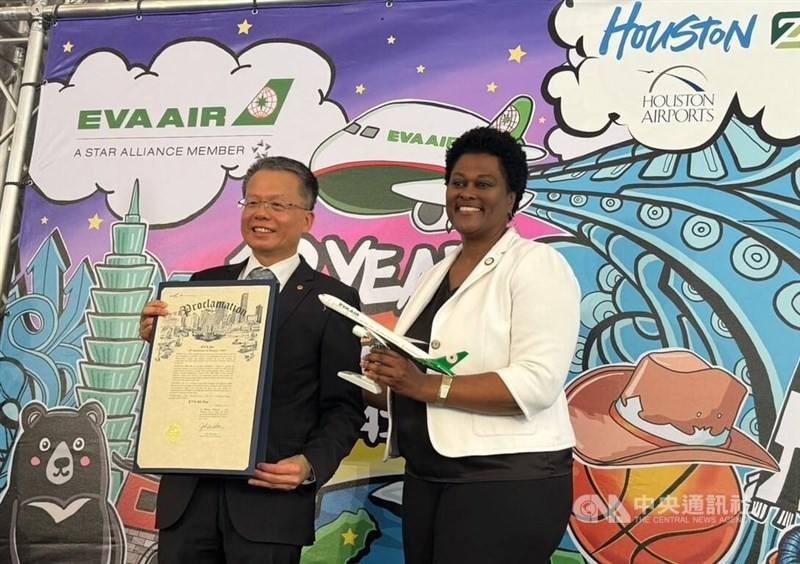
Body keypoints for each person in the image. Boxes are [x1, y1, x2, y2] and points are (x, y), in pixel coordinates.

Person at [362, 127, 581, 564]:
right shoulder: (436, 273)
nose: (467, 193)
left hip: (505, 480)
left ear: (513, 198)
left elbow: (536, 384)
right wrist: (384, 377)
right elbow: (420, 375)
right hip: (429, 476)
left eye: (484, 184)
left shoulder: (537, 265)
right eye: (458, 182)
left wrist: (423, 385)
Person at [139, 156, 364, 564]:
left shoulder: (333, 301)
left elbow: (344, 407)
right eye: (253, 202)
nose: (261, 213)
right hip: (187, 500)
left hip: (269, 505)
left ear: (307, 220)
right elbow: (179, 385)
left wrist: (310, 465)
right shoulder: (200, 287)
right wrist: (161, 344)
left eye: (278, 204)